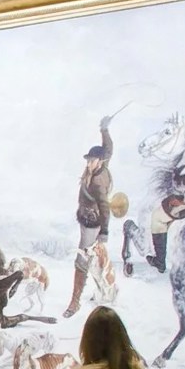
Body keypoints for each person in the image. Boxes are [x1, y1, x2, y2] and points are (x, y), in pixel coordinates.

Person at [64, 115, 115, 319]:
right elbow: (108, 148)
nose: (89, 163)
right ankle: (105, 292)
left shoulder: (97, 182)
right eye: (88, 160)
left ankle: (75, 302)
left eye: (92, 160)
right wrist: (104, 130)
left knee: (82, 260)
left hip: (92, 225)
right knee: (95, 259)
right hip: (87, 221)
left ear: (99, 161)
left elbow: (104, 206)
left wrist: (104, 231)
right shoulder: (103, 163)